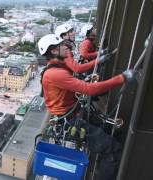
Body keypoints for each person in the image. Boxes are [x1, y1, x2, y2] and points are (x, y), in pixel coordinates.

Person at [38, 34, 135, 180]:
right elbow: (90, 90)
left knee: (114, 132)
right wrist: (122, 78)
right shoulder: (55, 73)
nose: (66, 47)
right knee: (112, 150)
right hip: (72, 121)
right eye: (62, 45)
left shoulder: (58, 69)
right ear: (54, 51)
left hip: (75, 115)